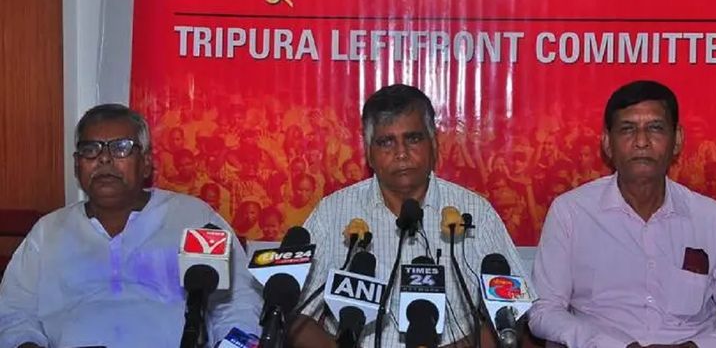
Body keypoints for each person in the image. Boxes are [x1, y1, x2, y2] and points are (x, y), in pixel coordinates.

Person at [527, 80, 716, 347]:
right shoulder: (572, 213)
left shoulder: (714, 220)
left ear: (677, 140)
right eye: (627, 129)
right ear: (607, 143)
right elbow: (544, 311)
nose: (642, 142)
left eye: (655, 128)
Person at [288, 84, 530, 348]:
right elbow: (293, 314)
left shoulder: (475, 213)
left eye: (413, 139)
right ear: (368, 151)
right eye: (386, 142)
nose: (401, 153)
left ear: (433, 143)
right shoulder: (332, 213)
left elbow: (513, 311)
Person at [0, 104, 261, 348]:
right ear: (77, 165)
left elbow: (239, 306)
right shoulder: (48, 231)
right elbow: (14, 312)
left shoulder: (193, 218)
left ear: (146, 162)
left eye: (121, 148)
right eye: (91, 149)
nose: (104, 159)